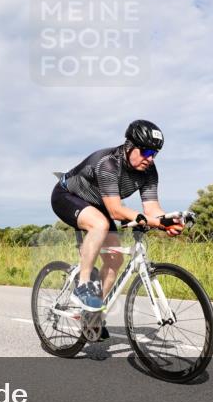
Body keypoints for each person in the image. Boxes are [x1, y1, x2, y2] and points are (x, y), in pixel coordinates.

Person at [50, 120, 185, 340]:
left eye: (155, 153)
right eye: (146, 151)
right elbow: (115, 210)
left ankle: (91, 316)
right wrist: (152, 221)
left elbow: (152, 209)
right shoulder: (109, 164)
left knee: (114, 260)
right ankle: (83, 286)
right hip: (67, 197)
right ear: (129, 146)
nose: (150, 158)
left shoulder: (149, 171)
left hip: (98, 204)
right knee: (100, 225)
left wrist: (167, 221)